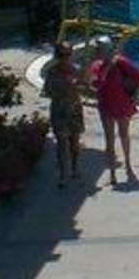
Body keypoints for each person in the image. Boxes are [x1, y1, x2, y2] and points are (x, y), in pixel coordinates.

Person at [88, 34, 139, 185]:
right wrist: (107, 69)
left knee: (123, 134)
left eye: (99, 49)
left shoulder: (120, 62)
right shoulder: (96, 66)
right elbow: (95, 84)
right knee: (109, 139)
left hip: (121, 103)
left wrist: (136, 96)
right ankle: (112, 171)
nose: (97, 52)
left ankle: (128, 164)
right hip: (106, 105)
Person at [42, 41, 86, 186]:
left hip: (74, 109)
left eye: (68, 54)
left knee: (74, 141)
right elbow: (46, 91)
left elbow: (85, 88)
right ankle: (62, 174)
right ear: (56, 55)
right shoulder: (52, 72)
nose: (65, 58)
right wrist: (61, 88)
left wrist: (77, 85)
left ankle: (75, 167)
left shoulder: (77, 70)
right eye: (62, 55)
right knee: (61, 143)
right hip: (59, 109)